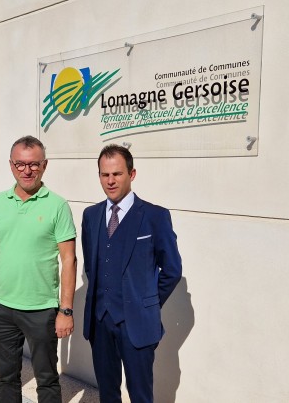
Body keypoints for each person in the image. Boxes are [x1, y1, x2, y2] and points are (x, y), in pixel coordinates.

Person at [0, 135, 77, 403]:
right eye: (20, 164)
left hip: (42, 309)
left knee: (47, 380)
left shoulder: (57, 205)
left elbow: (69, 260)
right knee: (6, 379)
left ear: (44, 165)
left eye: (34, 164)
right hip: (0, 308)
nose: (27, 170)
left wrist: (65, 310)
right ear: (11, 165)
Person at [81, 144, 183, 403]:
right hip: (100, 322)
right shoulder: (91, 215)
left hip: (138, 323)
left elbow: (172, 270)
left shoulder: (155, 216)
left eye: (117, 174)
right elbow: (91, 266)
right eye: (105, 175)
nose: (111, 181)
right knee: (107, 393)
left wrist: (147, 302)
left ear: (131, 174)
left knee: (140, 395)